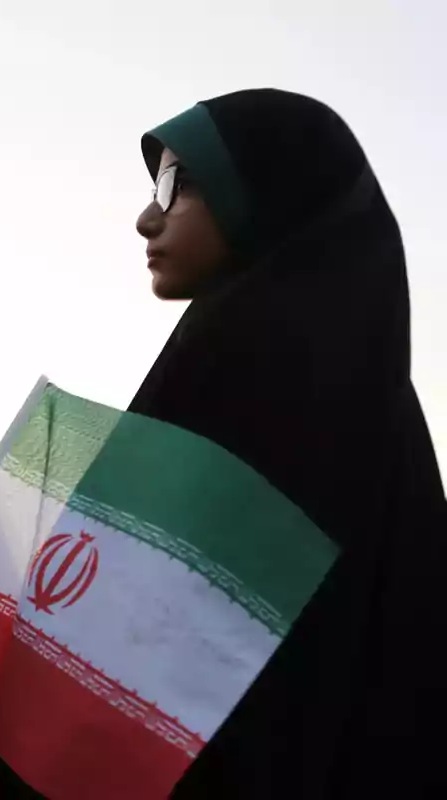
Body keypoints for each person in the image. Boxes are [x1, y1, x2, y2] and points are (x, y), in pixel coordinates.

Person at [131, 89, 446, 797]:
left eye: (179, 184)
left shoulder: (253, 370)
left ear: (272, 190)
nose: (148, 214)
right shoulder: (372, 399)